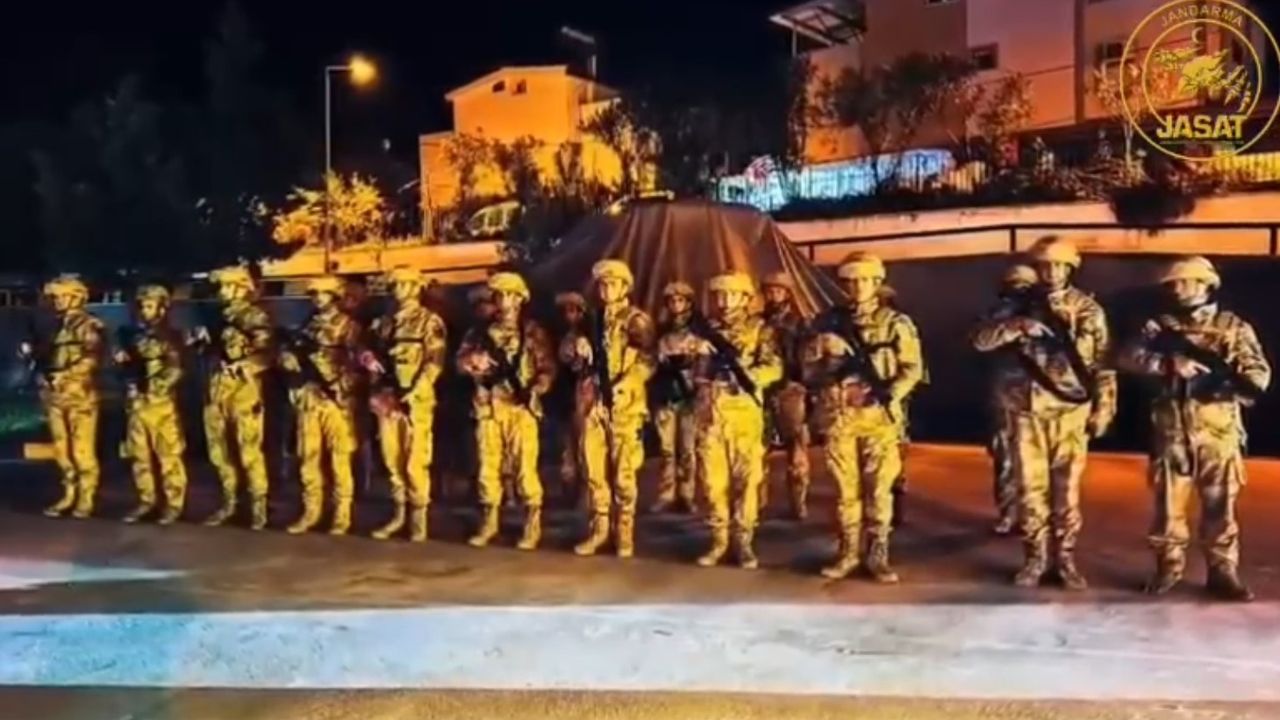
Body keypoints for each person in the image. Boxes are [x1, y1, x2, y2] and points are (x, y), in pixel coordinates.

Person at [1117, 256, 1270, 602]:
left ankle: (1223, 571)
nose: (1177, 288)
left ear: (1205, 284)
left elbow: (1257, 373)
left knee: (1220, 505)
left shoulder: (1231, 327)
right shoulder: (1158, 327)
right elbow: (1126, 356)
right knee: (1168, 507)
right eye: (1172, 283)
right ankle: (1168, 567)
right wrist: (1167, 363)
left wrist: (1222, 386)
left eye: (1183, 281)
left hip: (1217, 430)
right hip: (1172, 430)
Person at [970, 237, 1117, 590]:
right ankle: (1035, 559)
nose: (1051, 272)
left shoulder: (1087, 310)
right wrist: (1017, 326)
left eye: (1058, 265)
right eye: (1045, 265)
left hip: (1069, 411)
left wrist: (1105, 408)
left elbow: (1103, 364)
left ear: (1070, 268)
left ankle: (1064, 560)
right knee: (1030, 489)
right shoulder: (1014, 307)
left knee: (1067, 492)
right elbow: (979, 340)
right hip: (1025, 410)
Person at [803, 253, 923, 583]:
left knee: (879, 489)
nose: (857, 287)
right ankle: (847, 552)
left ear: (876, 282)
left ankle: (877, 555)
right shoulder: (827, 323)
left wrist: (887, 393)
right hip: (840, 416)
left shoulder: (895, 323)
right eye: (851, 281)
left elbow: (912, 368)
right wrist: (825, 353)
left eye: (864, 281)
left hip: (878, 418)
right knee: (845, 492)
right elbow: (808, 372)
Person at [690, 271, 783, 569]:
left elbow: (775, 366)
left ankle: (743, 541)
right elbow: (691, 373)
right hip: (710, 412)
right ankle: (719, 540)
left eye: (732, 294)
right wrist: (696, 357)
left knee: (746, 480)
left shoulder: (760, 329)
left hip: (743, 411)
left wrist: (746, 374)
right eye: (720, 295)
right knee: (712, 481)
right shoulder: (705, 330)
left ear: (745, 298)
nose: (725, 300)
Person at [456, 272, 556, 550]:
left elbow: (547, 368)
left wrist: (537, 388)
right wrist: (472, 361)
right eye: (499, 295)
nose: (503, 300)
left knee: (524, 468)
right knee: (488, 466)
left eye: (509, 295)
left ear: (520, 299)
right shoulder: (479, 333)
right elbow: (459, 362)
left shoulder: (532, 332)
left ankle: (532, 523)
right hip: (488, 405)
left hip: (521, 408)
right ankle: (490, 521)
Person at [563, 260, 655, 557]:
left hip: (625, 405)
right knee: (593, 469)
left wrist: (628, 382)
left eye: (612, 284)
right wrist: (576, 346)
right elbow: (566, 354)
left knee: (624, 473)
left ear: (624, 287)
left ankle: (624, 531)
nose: (606, 289)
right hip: (593, 403)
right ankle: (599, 530)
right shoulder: (590, 320)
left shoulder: (636, 320)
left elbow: (649, 358)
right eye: (602, 284)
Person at [363, 268, 448, 542]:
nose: (397, 289)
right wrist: (367, 359)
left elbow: (435, 361)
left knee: (415, 460)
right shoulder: (385, 322)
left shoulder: (428, 321)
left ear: (414, 287)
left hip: (415, 401)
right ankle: (399, 513)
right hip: (387, 398)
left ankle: (418, 518)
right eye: (395, 285)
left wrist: (416, 390)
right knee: (392, 458)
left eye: (402, 284)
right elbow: (368, 350)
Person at [193, 266, 275, 529]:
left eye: (228, 286)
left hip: (244, 387)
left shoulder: (255, 316)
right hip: (218, 386)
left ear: (242, 288)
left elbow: (267, 351)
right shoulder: (216, 316)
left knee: (248, 449)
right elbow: (207, 349)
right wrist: (200, 341)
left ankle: (259, 506)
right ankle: (230, 503)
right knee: (220, 450)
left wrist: (248, 363)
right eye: (222, 287)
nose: (222, 292)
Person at [280, 276, 361, 536]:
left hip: (336, 398)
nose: (317, 299)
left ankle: (342, 513)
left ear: (335, 296)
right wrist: (289, 361)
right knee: (308, 456)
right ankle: (311, 510)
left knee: (339, 458)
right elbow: (293, 354)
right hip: (309, 395)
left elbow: (358, 362)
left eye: (323, 294)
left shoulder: (349, 326)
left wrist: (340, 384)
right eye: (314, 294)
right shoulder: (308, 325)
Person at [21, 275, 103, 519]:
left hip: (79, 395)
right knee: (62, 449)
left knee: (82, 449)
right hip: (55, 395)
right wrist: (33, 359)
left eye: (62, 296)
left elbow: (93, 358)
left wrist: (66, 375)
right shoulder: (53, 326)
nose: (57, 301)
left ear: (77, 297)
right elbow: (46, 356)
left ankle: (86, 496)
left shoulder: (89, 325)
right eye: (55, 297)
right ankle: (69, 493)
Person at [115, 285, 187, 524]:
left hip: (160, 403)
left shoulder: (171, 336)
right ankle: (147, 500)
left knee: (168, 455)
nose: (144, 311)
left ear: (161, 309)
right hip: (137, 402)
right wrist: (124, 368)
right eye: (141, 306)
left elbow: (176, 369)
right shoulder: (130, 335)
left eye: (149, 306)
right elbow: (123, 366)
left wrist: (156, 387)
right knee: (140, 455)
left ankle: (174, 503)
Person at [981, 263, 1038, 536]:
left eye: (1025, 285)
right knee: (1005, 459)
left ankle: (1032, 515)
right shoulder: (997, 314)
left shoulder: (1045, 312)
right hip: (1006, 394)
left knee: (1036, 463)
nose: (1019, 290)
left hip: (1039, 396)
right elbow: (982, 340)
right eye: (1014, 285)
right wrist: (1014, 326)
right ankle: (1009, 512)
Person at [760, 272, 811, 521]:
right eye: (769, 291)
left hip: (791, 389)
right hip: (762, 388)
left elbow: (807, 358)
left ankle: (798, 502)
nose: (774, 295)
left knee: (796, 448)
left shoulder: (800, 323)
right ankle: (757, 502)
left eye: (778, 291)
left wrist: (801, 382)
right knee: (757, 448)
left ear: (788, 293)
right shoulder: (758, 323)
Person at [650, 281, 700, 515]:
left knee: (688, 449)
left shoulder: (698, 331)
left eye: (680, 300)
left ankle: (687, 494)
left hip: (690, 395)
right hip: (666, 394)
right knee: (666, 448)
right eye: (671, 301)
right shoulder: (660, 332)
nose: (676, 305)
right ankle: (666, 493)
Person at [552, 291, 588, 508]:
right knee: (567, 449)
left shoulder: (588, 335)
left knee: (585, 447)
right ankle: (569, 490)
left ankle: (585, 492)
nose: (569, 315)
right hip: (566, 398)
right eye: (566, 311)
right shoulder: (559, 336)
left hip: (584, 396)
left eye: (574, 310)